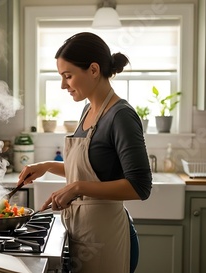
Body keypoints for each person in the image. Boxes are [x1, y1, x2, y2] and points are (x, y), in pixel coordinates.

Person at [17, 32, 152, 273]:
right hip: (80, 232)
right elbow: (93, 170)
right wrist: (47, 165)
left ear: (93, 70)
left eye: (68, 76)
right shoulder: (88, 110)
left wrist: (76, 187)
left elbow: (140, 186)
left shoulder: (121, 116)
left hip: (104, 237)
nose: (62, 85)